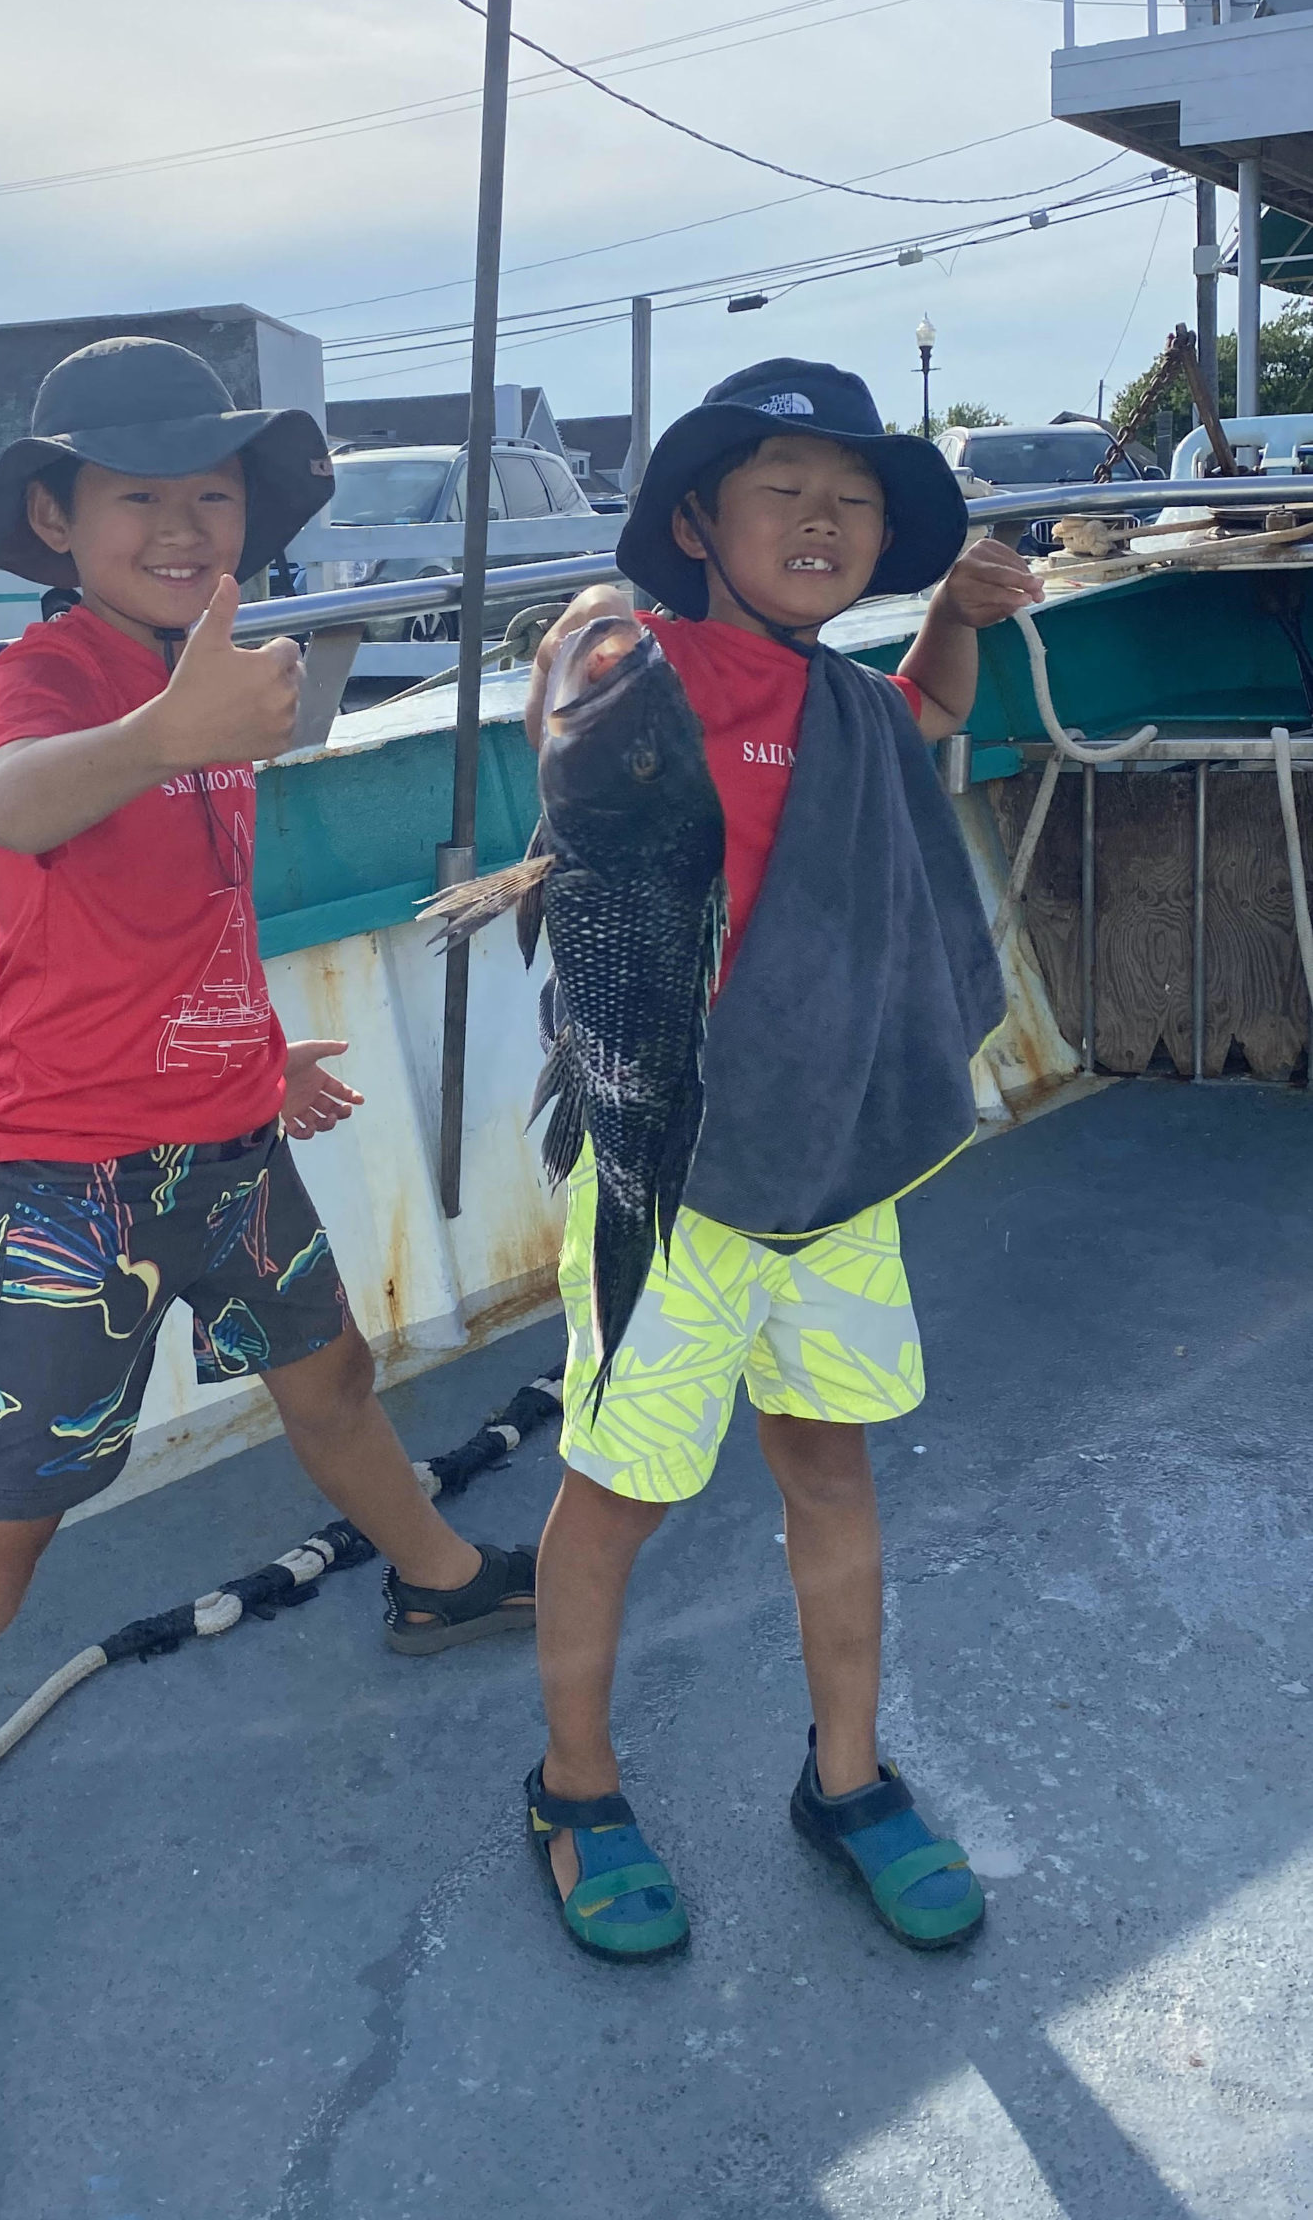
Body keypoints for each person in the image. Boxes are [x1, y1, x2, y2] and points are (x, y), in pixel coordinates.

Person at [0, 339, 535, 2216]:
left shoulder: (234, 681)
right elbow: (25, 807)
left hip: (224, 1146)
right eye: (141, 499)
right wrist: (157, 737)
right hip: (74, 1197)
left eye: (216, 497)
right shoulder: (55, 675)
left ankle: (435, 1583)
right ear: (57, 522)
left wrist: (251, 1063)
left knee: (336, 1383)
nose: (187, 527)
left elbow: (168, 922)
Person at [520, 357, 1042, 1962]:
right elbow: (564, 702)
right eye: (781, 494)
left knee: (832, 1466)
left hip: (832, 1172)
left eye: (853, 502)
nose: (821, 521)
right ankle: (575, 1786)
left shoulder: (847, 703)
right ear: (696, 520)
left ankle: (846, 1778)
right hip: (661, 1187)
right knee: (614, 1497)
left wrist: (949, 607)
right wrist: (588, 640)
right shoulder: (640, 666)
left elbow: (935, 711)